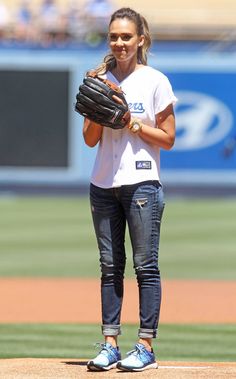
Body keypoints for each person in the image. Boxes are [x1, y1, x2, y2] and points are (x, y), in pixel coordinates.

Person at [82, 7, 177, 372]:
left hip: (142, 184)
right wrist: (95, 110)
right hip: (103, 182)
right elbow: (90, 140)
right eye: (114, 36)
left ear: (141, 40)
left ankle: (145, 346)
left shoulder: (155, 81)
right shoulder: (100, 79)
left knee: (145, 266)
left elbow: (167, 139)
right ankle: (109, 344)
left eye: (126, 36)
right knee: (110, 267)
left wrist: (132, 124)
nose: (119, 43)